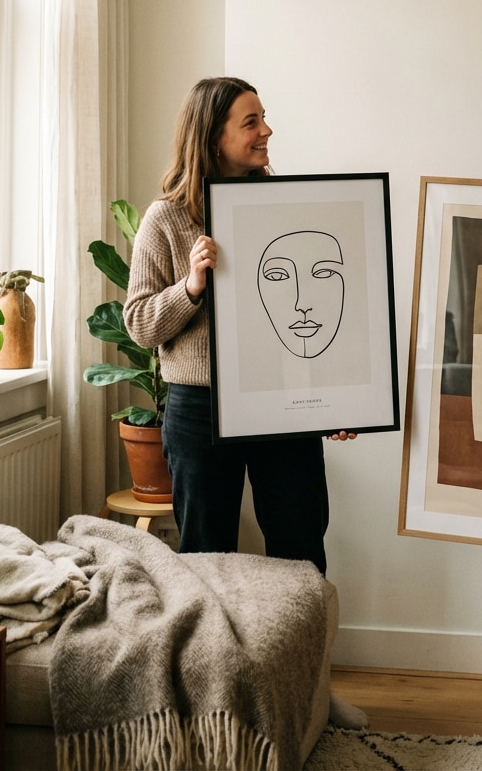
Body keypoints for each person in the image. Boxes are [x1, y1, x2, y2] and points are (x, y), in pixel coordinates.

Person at [124, 76, 368, 730]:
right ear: (214, 135)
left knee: (302, 550)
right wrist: (192, 284)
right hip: (198, 409)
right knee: (205, 556)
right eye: (251, 121)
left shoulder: (285, 206)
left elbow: (313, 316)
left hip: (280, 404)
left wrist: (335, 396)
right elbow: (141, 323)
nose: (266, 132)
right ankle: (214, 703)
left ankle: (312, 692)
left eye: (264, 119)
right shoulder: (167, 218)